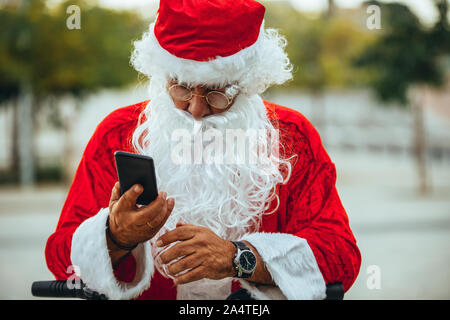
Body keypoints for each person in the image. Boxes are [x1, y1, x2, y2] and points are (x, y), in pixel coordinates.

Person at [45, 0, 361, 300]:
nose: (196, 109)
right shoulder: (118, 133)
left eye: (217, 93)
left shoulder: (292, 137)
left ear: (247, 82)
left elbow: (341, 256)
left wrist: (241, 257)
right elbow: (61, 255)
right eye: (180, 87)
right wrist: (114, 238)